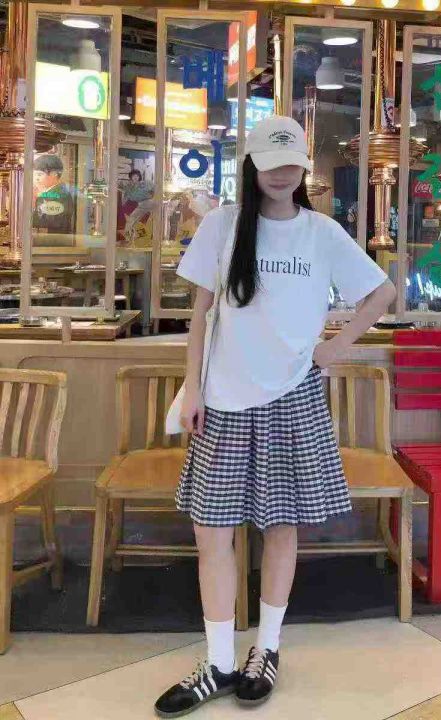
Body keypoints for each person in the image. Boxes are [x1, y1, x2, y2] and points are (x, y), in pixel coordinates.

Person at [154, 115, 396, 718]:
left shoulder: (322, 232)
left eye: (293, 163)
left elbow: (382, 293)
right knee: (212, 531)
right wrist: (192, 389)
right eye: (271, 163)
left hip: (294, 397)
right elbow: (200, 317)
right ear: (252, 166)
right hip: (223, 399)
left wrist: (335, 349)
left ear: (305, 167)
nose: (283, 174)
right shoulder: (222, 225)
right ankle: (217, 663)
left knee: (282, 527)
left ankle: (266, 650)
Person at [32, 154, 75, 234]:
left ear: (54, 174)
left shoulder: (61, 195)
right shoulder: (45, 193)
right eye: (34, 174)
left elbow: (52, 222)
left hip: (54, 239)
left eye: (39, 174)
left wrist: (32, 207)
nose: (36, 178)